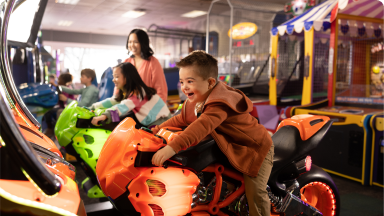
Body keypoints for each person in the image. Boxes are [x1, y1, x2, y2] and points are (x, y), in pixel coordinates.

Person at [151, 51, 274, 216]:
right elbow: (179, 119)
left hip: (255, 148)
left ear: (210, 83)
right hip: (231, 147)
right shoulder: (194, 101)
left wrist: (172, 147)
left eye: (190, 81)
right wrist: (157, 130)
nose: (184, 87)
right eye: (181, 82)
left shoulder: (220, 102)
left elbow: (201, 126)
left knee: (256, 193)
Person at [90, 62, 171, 128]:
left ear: (127, 77)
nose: (113, 80)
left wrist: (105, 116)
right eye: (113, 77)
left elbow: (122, 107)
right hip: (151, 121)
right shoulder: (125, 92)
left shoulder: (138, 92)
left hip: (161, 121)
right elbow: (112, 101)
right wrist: (92, 107)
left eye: (117, 77)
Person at [124, 29, 168, 103]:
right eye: (130, 42)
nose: (132, 45)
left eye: (135, 42)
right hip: (129, 106)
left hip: (148, 107)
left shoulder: (153, 62)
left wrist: (158, 109)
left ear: (143, 43)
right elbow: (118, 88)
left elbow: (160, 89)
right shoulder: (126, 62)